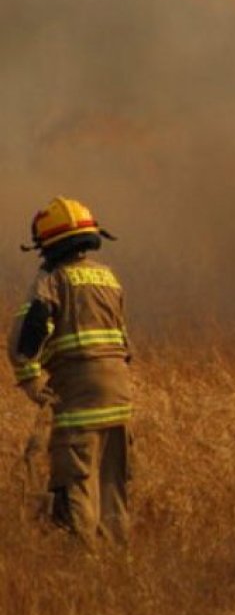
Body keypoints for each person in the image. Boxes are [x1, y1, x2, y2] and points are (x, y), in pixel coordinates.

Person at [7, 197, 133, 545]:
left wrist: (30, 379)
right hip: (120, 397)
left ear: (48, 245)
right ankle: (117, 560)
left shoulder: (53, 281)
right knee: (112, 484)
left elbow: (25, 338)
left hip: (79, 400)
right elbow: (125, 343)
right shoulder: (109, 279)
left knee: (75, 483)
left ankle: (84, 564)